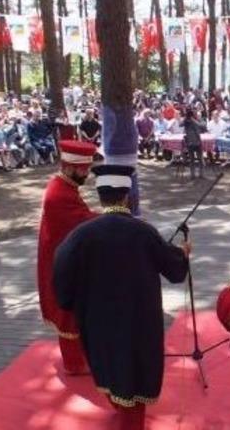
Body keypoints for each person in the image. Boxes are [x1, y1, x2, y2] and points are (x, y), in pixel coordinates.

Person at [53, 164, 191, 430]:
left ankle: (120, 407)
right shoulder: (144, 232)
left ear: (100, 196)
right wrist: (182, 254)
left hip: (99, 320)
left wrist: (69, 302)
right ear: (127, 197)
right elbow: (174, 271)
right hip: (139, 321)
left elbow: (61, 269)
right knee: (137, 372)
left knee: (110, 369)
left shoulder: (81, 234)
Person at [35, 140, 98, 375]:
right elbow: (82, 220)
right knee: (67, 312)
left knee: (75, 309)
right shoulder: (60, 195)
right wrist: (114, 217)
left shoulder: (64, 186)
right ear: (70, 167)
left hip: (63, 256)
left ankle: (81, 356)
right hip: (62, 263)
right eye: (83, 170)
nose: (87, 174)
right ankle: (74, 364)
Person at [183, 109, 207, 179]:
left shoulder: (197, 120)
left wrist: (193, 120)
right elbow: (180, 124)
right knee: (192, 159)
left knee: (199, 159)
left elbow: (202, 125)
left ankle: (201, 174)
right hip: (191, 142)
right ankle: (193, 174)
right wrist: (187, 119)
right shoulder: (187, 121)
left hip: (196, 142)